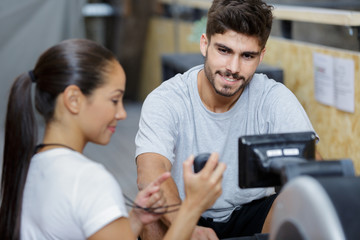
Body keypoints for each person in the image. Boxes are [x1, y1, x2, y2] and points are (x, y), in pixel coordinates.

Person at [0, 38, 226, 240]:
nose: (122, 113)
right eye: (114, 100)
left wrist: (135, 219)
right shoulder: (88, 180)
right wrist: (192, 207)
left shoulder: (32, 163)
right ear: (73, 100)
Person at [135, 0, 319, 239]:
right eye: (224, 50)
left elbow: (313, 169)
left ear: (261, 56)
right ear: (205, 44)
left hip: (251, 213)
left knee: (301, 204)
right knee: (149, 213)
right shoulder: (166, 99)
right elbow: (150, 173)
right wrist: (187, 225)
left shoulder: (273, 97)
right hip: (184, 210)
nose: (233, 67)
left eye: (247, 56)